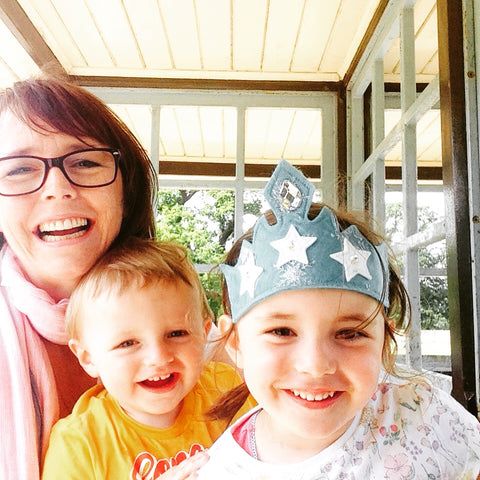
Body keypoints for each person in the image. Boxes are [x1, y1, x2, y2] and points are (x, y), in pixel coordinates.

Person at [198, 160, 480, 479]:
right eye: (282, 331)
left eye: (350, 333)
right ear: (237, 343)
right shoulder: (217, 472)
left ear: (385, 343)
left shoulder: (425, 413)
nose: (316, 365)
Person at [0, 74, 157, 479]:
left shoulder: (193, 333)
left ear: (126, 190)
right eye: (18, 170)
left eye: (85, 161)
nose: (58, 188)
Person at [41, 238, 255, 479]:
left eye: (177, 334)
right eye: (127, 343)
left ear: (204, 335)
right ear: (88, 358)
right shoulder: (79, 444)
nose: (158, 358)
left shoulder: (228, 389)